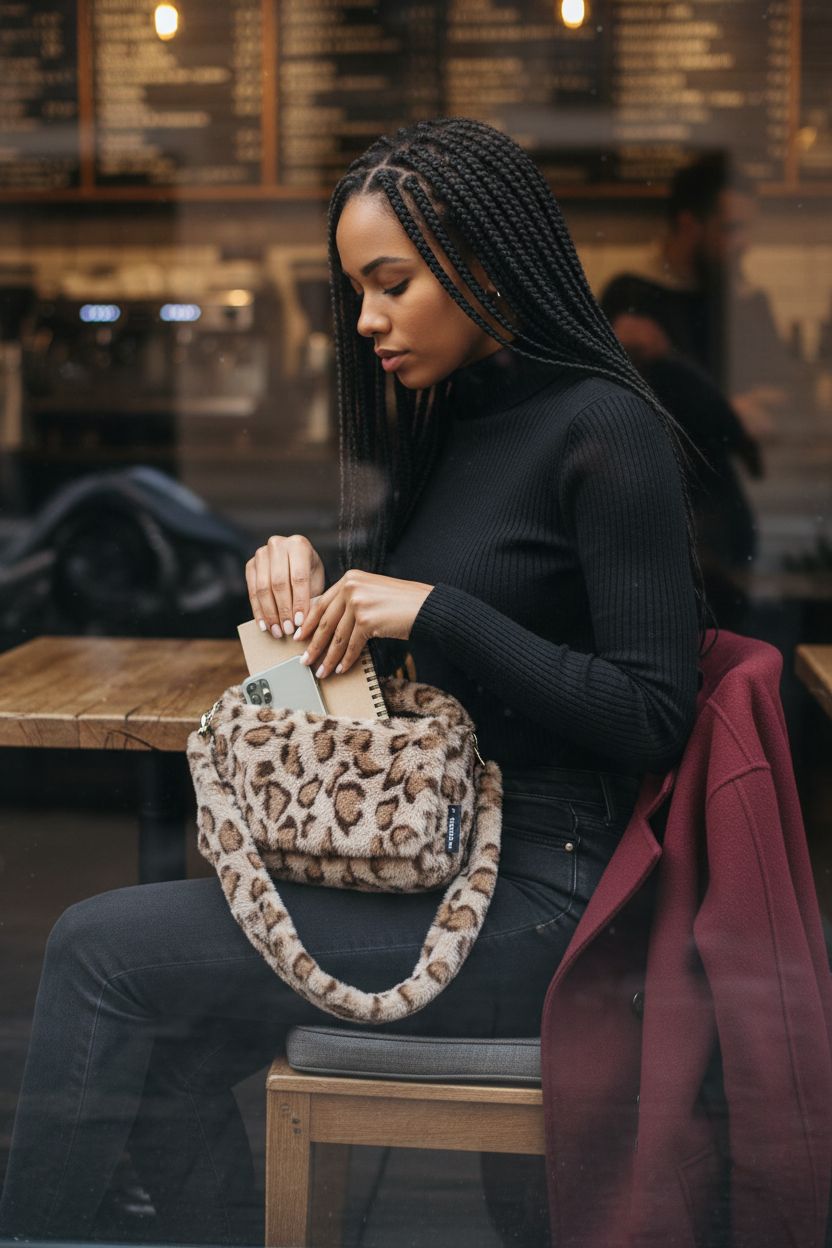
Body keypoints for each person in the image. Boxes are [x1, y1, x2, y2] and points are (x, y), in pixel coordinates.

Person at [0, 118, 707, 1245]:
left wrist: (433, 607)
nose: (367, 320)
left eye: (393, 283)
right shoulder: (458, 425)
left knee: (94, 948)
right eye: (358, 290)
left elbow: (651, 715)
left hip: (539, 904)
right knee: (163, 1047)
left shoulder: (604, 429)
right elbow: (421, 689)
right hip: (431, 855)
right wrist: (308, 596)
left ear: (483, 262)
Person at [599, 152, 791, 631]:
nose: (743, 244)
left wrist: (718, 406)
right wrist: (731, 411)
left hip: (726, 515)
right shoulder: (632, 295)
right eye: (730, 228)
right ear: (689, 224)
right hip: (656, 516)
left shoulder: (746, 299)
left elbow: (782, 400)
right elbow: (642, 407)